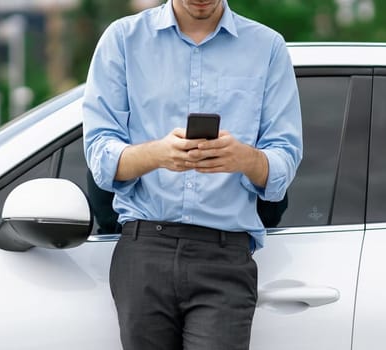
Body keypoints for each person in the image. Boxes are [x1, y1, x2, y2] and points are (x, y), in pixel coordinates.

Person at [82, 0, 302, 348]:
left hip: (225, 254)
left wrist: (244, 158)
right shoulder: (122, 40)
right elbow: (99, 155)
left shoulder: (267, 47)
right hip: (144, 249)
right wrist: (156, 154)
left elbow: (285, 159)